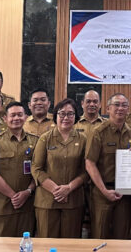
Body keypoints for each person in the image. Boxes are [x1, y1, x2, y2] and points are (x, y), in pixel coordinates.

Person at [32, 98, 89, 237]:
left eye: (70, 114)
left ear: (76, 117)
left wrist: (68, 188)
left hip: (73, 200)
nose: (66, 117)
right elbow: (36, 168)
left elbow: (86, 170)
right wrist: (56, 190)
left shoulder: (83, 139)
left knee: (70, 244)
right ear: (55, 115)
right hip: (47, 201)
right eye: (62, 113)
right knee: (47, 243)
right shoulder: (45, 138)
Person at [85, 93, 131, 239]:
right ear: (108, 108)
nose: (120, 108)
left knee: (122, 236)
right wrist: (104, 190)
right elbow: (89, 163)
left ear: (128, 109)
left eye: (124, 105)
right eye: (116, 105)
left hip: (125, 194)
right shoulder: (98, 132)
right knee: (100, 234)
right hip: (102, 192)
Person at [0, 102, 38, 237]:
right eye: (12, 115)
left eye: (20, 115)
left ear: (26, 117)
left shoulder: (35, 141)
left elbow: (38, 171)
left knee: (25, 246)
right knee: (0, 248)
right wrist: (14, 196)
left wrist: (27, 192)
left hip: (27, 206)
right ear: (5, 118)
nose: (16, 118)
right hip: (1, 207)